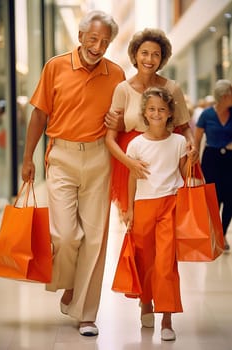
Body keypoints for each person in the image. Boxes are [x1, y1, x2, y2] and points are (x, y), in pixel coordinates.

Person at [21, 10, 125, 336]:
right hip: (62, 157)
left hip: (99, 159)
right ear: (80, 37)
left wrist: (118, 124)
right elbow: (39, 115)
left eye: (105, 42)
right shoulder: (55, 66)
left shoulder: (116, 74)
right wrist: (27, 158)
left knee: (94, 239)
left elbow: (126, 119)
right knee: (66, 236)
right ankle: (68, 282)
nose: (98, 46)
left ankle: (85, 312)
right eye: (93, 39)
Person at [105, 28, 198, 215]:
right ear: (135, 55)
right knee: (137, 224)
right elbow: (109, 139)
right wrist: (130, 163)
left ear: (162, 58)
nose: (149, 59)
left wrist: (193, 144)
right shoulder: (122, 89)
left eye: (156, 55)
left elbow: (184, 127)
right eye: (144, 53)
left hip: (167, 159)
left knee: (170, 222)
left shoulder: (172, 88)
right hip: (134, 161)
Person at [123, 86, 189, 341]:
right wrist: (129, 208)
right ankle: (146, 303)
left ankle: (167, 317)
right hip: (143, 206)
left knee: (166, 264)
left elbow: (184, 172)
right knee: (145, 261)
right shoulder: (136, 144)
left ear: (170, 112)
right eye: (151, 109)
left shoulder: (179, 141)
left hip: (170, 204)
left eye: (162, 109)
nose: (157, 113)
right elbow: (131, 177)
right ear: (145, 113)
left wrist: (191, 160)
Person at [195, 79, 232, 252]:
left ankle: (222, 234)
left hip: (230, 159)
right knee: (213, 200)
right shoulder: (206, 115)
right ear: (224, 96)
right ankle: (215, 235)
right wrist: (193, 159)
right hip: (211, 159)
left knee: (230, 200)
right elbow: (197, 138)